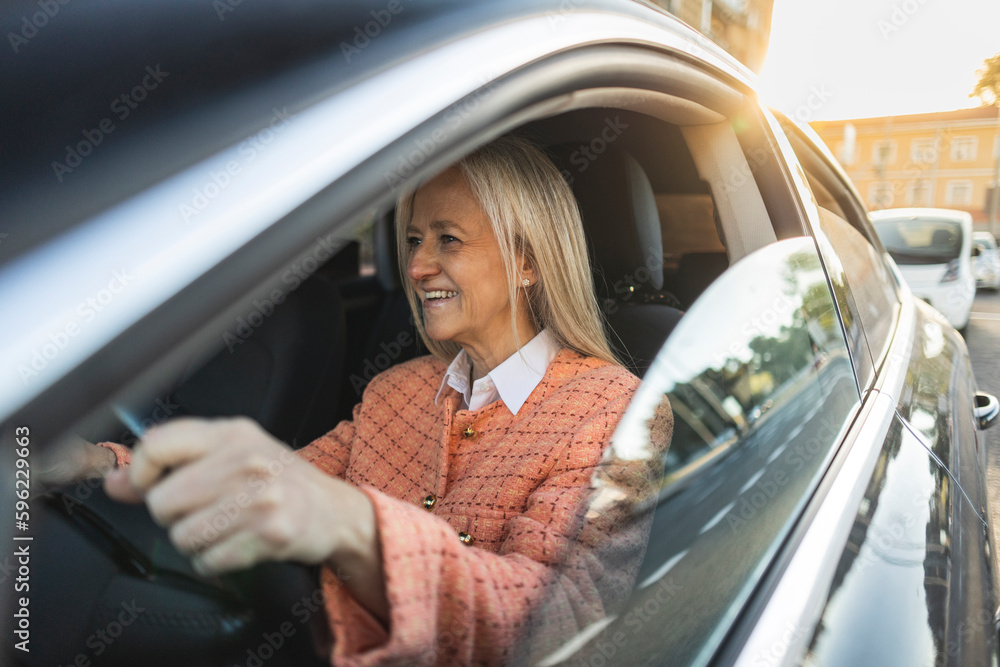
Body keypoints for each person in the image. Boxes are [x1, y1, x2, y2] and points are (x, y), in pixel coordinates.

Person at [65, 135, 672, 665]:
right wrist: (103, 465)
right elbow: (271, 482)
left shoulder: (615, 410)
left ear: (527, 261)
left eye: (448, 240)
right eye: (413, 240)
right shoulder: (396, 390)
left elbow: (560, 621)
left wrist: (356, 529)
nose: (416, 265)